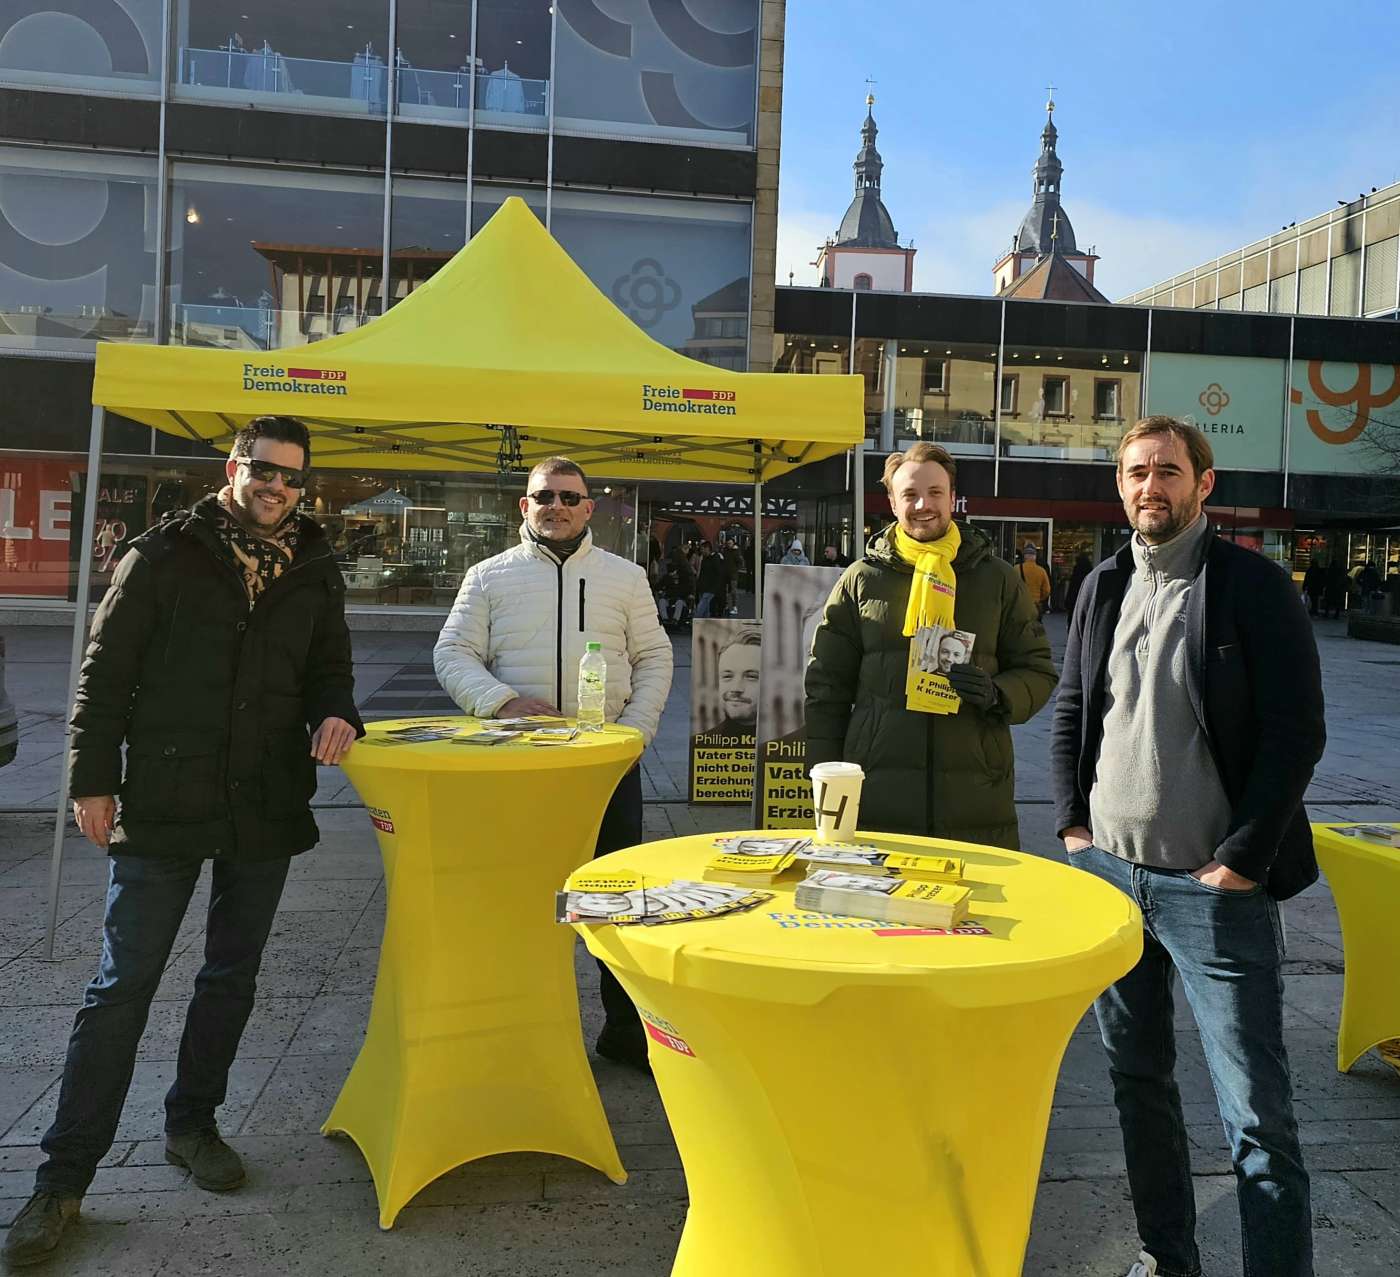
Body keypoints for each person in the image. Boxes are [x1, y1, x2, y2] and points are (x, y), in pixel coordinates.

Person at [3, 416, 362, 1268]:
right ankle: (62, 1177)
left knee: (231, 976)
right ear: (233, 467)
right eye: (264, 470)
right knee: (122, 984)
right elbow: (104, 672)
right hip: (164, 797)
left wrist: (338, 709)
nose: (277, 488)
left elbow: (330, 667)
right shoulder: (162, 555)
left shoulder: (313, 566)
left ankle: (192, 1124)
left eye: (292, 479)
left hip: (265, 801)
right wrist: (91, 778)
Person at [1051, 416, 1324, 1277]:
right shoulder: (1101, 584)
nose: (1148, 487)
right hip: (1111, 880)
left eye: (1167, 471)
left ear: (1203, 483)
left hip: (1214, 891)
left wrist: (1242, 856)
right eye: (1135, 472)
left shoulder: (1252, 585)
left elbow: (1296, 732)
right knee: (1138, 1086)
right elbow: (1070, 711)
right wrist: (1072, 825)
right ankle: (1167, 1257)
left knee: (1256, 1115)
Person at [433, 456, 672, 1071]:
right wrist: (502, 700)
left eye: (570, 497)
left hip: (608, 769)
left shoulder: (626, 577)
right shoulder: (490, 576)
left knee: (613, 901)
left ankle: (624, 1032)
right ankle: (520, 1027)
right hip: (521, 768)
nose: (557, 506)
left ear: (590, 508)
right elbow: (453, 652)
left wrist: (636, 734)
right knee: (521, 900)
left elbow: (654, 658)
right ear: (525, 506)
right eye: (545, 496)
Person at [805, 442, 1057, 848]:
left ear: (952, 496)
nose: (924, 504)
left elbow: (1038, 669)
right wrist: (825, 774)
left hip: (975, 796)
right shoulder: (861, 579)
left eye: (935, 492)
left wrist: (998, 693)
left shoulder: (997, 578)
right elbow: (825, 686)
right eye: (910, 494)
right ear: (891, 501)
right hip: (878, 790)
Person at [696, 627, 760, 742]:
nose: (736, 688)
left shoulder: (789, 748)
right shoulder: (701, 744)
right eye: (727, 676)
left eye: (751, 676)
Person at [694, 540, 730, 618]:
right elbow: (702, 573)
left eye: (702, 549)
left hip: (711, 587)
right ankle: (705, 622)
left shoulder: (716, 558)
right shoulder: (704, 559)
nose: (701, 551)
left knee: (703, 604)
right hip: (703, 587)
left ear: (707, 548)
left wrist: (716, 587)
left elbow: (719, 574)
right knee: (705, 606)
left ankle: (696, 619)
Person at [1017, 545, 1051, 617]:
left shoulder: (1016, 569)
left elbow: (1011, 587)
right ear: (1035, 557)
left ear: (1024, 556)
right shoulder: (1041, 571)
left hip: (1020, 605)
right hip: (1035, 605)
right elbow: (1047, 590)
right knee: (1034, 626)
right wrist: (1039, 598)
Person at [1066, 550, 1093, 617]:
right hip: (1085, 598)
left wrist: (1067, 601)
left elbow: (1072, 587)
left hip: (1074, 598)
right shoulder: (1090, 570)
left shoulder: (1076, 570)